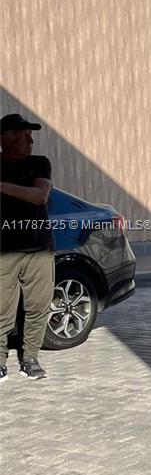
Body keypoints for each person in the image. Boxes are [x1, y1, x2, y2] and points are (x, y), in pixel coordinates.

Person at [0, 113, 54, 381]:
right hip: (3, 251)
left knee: (39, 306)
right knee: (1, 308)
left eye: (31, 134)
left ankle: (30, 357)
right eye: (23, 134)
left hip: (38, 248)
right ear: (4, 137)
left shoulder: (39, 164)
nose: (30, 139)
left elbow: (40, 196)